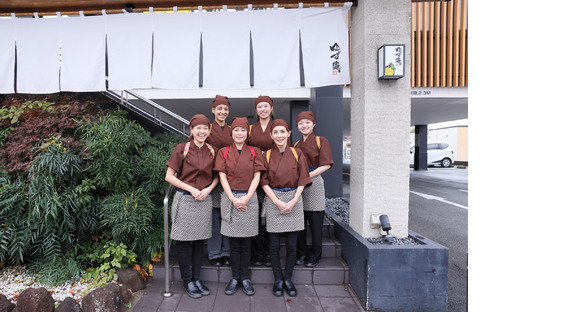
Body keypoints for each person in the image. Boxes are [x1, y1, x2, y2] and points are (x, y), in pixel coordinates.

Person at [165, 114, 219, 299]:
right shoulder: (182, 149)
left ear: (209, 130)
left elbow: (217, 176)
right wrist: (192, 189)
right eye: (198, 128)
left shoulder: (212, 150)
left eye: (205, 128)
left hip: (204, 200)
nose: (202, 131)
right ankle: (187, 281)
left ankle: (197, 278)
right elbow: (169, 176)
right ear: (192, 130)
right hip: (185, 199)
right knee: (184, 243)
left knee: (199, 242)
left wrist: (208, 189)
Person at [213, 117, 265, 296]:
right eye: (236, 130)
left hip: (250, 199)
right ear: (231, 132)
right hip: (230, 198)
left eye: (243, 130)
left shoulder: (255, 151)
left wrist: (247, 197)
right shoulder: (223, 151)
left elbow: (257, 176)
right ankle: (235, 278)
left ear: (247, 133)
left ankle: (245, 278)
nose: (239, 133)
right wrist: (233, 199)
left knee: (247, 242)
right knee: (234, 243)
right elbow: (222, 177)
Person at [261, 119, 312, 297]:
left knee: (292, 245)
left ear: (289, 133)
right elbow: (263, 181)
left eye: (283, 132)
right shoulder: (266, 155)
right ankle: (277, 279)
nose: (279, 135)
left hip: (294, 199)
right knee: (274, 245)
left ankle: (288, 278)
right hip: (274, 199)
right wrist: (276, 201)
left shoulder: (297, 153)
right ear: (271, 135)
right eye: (275, 132)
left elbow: (303, 179)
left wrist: (293, 201)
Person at [293, 111, 334, 268]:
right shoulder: (296, 145)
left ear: (313, 124)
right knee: (299, 221)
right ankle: (302, 252)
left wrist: (307, 175)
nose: (304, 125)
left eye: (307, 122)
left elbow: (326, 164)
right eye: (301, 123)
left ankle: (315, 254)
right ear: (297, 126)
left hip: (314, 181)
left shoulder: (321, 141)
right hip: (298, 183)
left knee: (315, 221)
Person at [247, 95, 276, 267]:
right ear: (256, 110)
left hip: (274, 175)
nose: (263, 109)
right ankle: (257, 253)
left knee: (271, 214)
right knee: (256, 215)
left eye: (266, 106)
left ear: (271, 108)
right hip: (255, 176)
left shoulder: (277, 126)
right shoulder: (251, 129)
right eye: (260, 106)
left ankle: (269, 252)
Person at [205, 95, 233, 267]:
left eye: (225, 109)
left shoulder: (232, 130)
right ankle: (215, 252)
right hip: (212, 179)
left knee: (228, 216)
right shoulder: (205, 129)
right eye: (219, 109)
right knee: (215, 218)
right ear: (213, 110)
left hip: (231, 179)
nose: (222, 112)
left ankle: (227, 252)